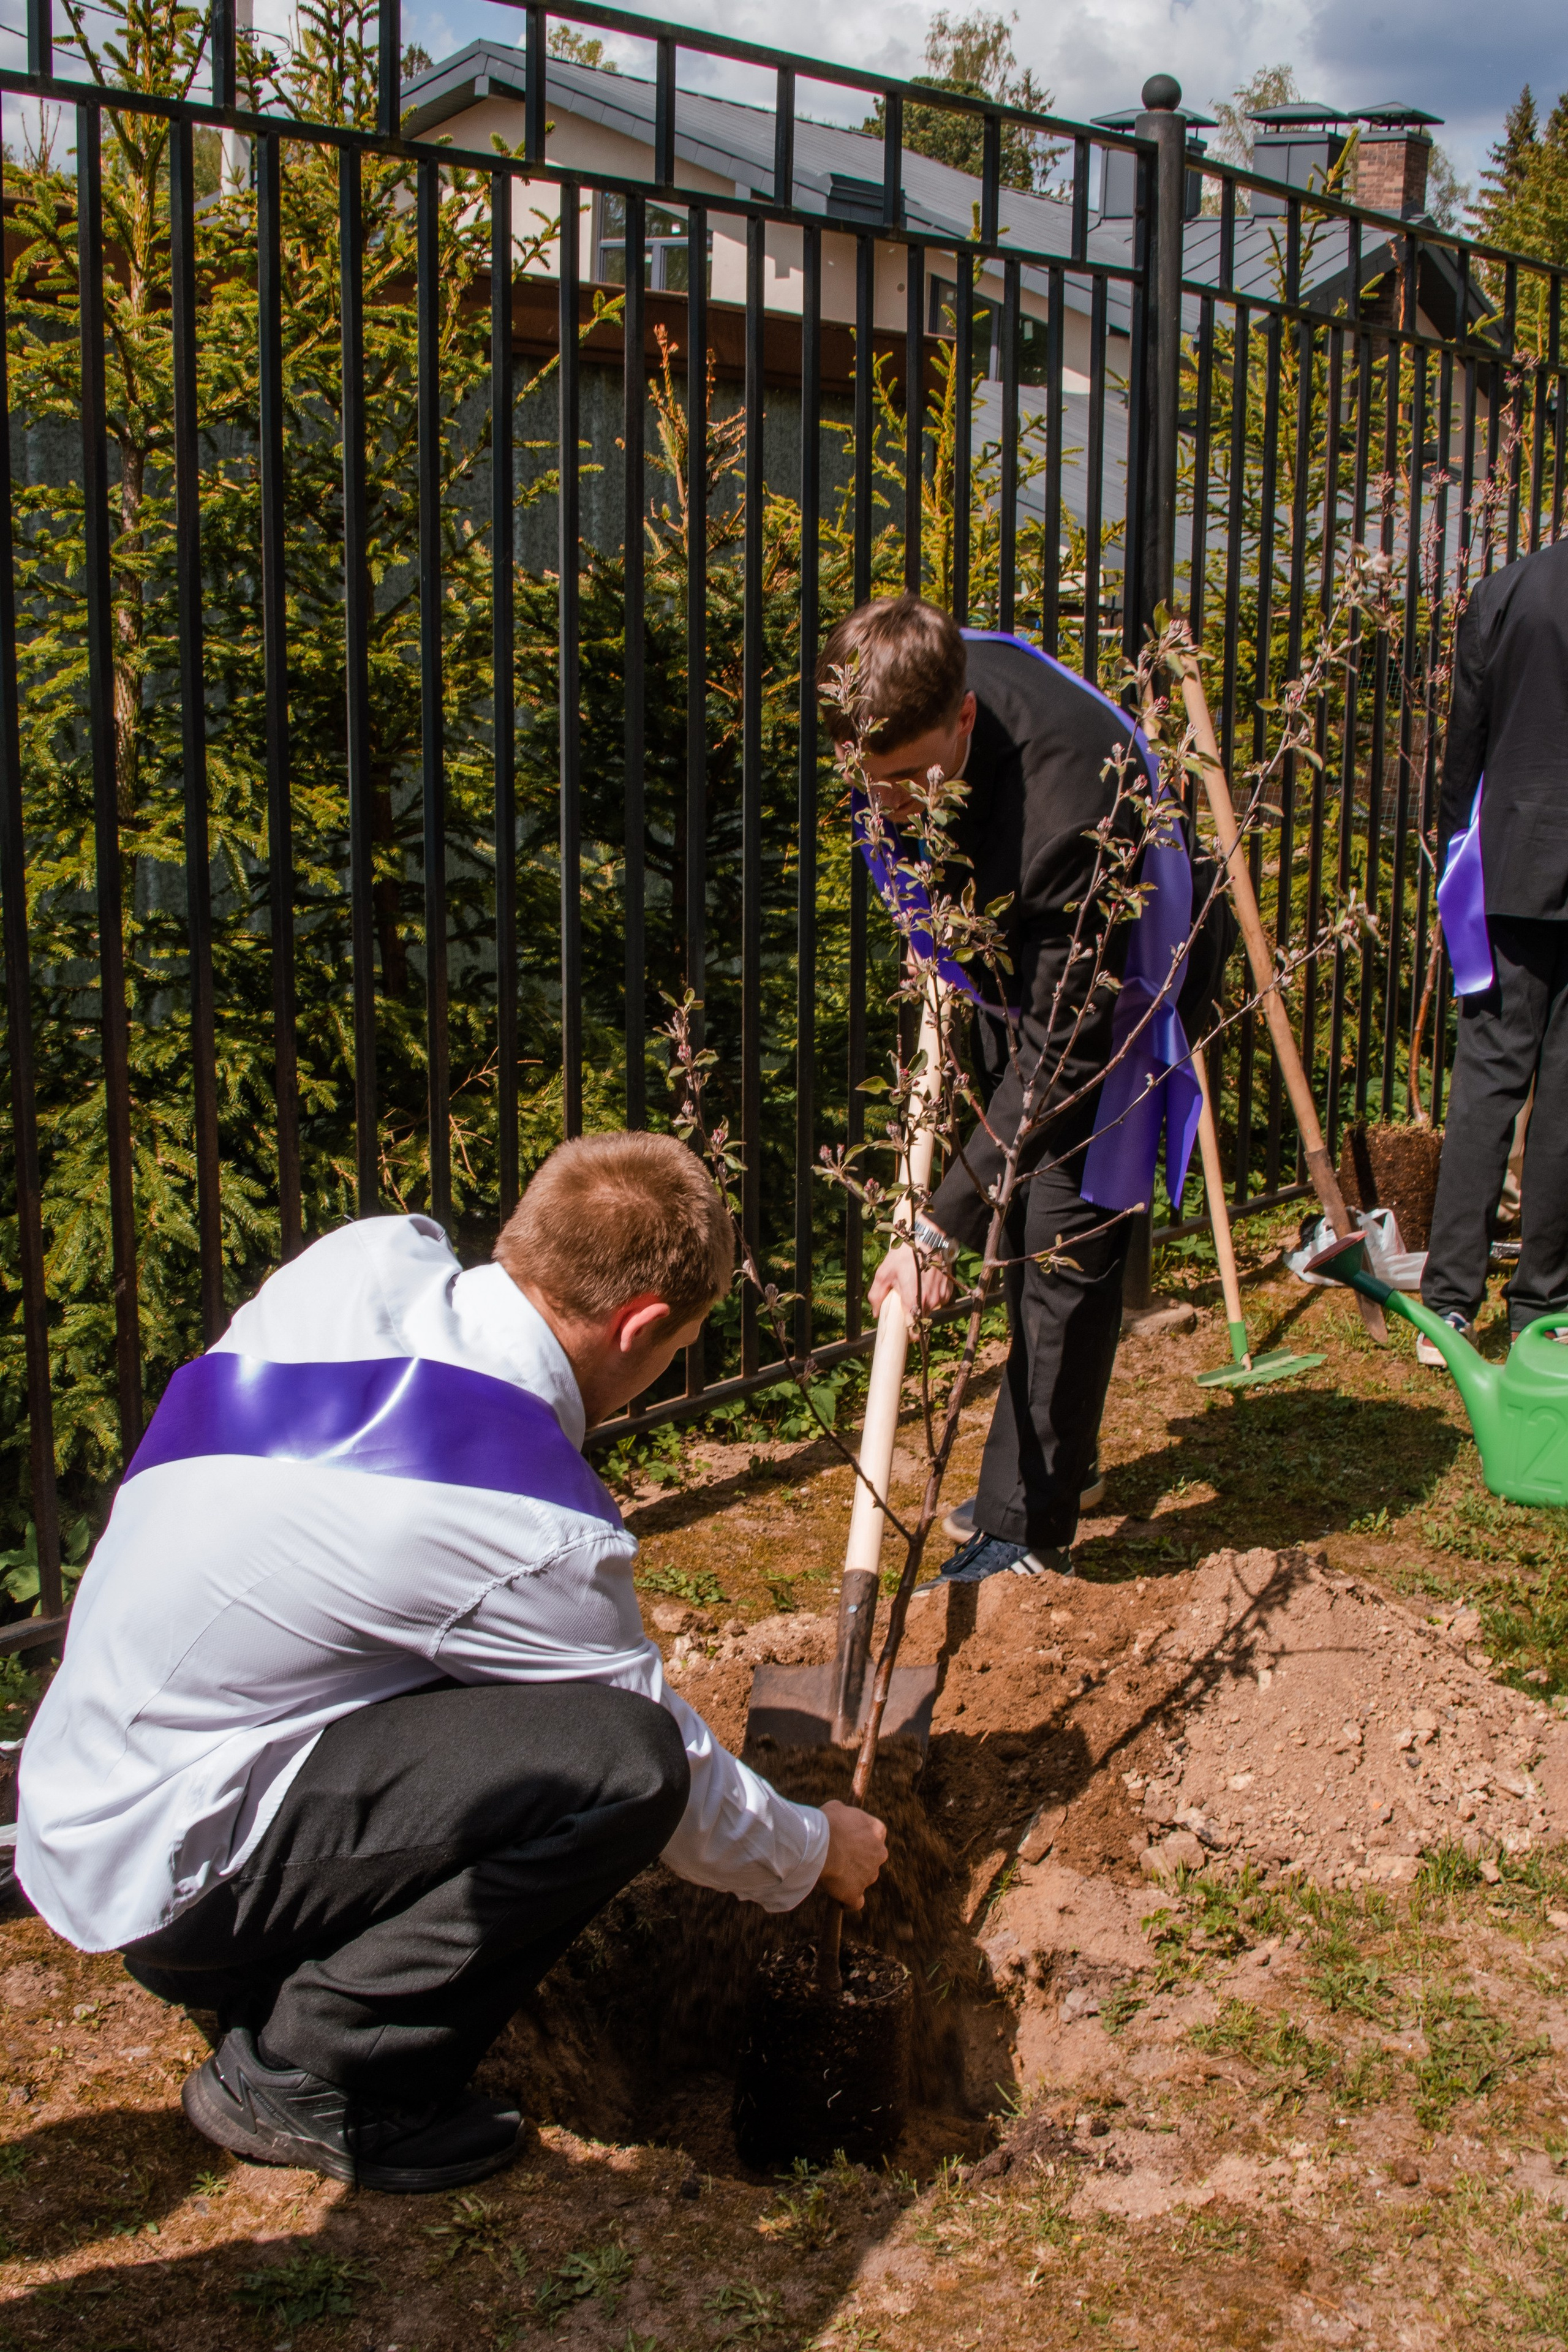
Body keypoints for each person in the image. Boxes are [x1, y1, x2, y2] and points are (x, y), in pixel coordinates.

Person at [17, 1134, 886, 2193]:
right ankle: (320, 2072)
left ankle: (288, 1971)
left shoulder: (363, 1260)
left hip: (96, 1773)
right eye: (685, 1343)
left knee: (511, 1698)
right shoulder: (524, 1525)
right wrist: (812, 1852)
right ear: (645, 1325)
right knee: (626, 1762)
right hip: (174, 1875)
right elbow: (678, 1778)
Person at [818, 596, 1215, 1585]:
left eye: (912, 781)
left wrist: (940, 1222)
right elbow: (916, 839)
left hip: (1113, 978)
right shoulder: (877, 714)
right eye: (874, 785)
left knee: (1066, 1223)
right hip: (1016, 963)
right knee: (1019, 1185)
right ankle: (1051, 1467)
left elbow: (1064, 1056)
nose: (893, 805)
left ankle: (1023, 1530)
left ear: (962, 720)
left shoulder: (1068, 808)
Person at [1422, 533, 1568, 1363]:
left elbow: (1464, 746)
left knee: (1487, 1083)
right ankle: (1542, 1304)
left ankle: (1448, 1303)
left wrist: (1451, 862)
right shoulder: (1506, 592)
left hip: (1510, 862)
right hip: (1525, 867)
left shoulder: (1508, 591)